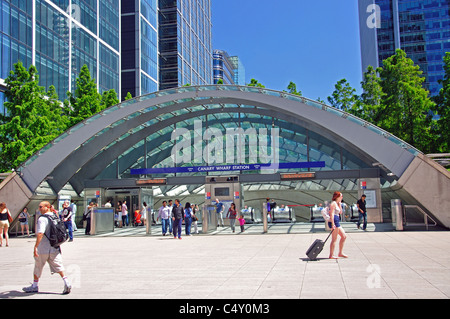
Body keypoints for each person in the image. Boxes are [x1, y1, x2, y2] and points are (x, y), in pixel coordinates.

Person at [22, 201, 71, 294]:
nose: (39, 209)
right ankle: (67, 283)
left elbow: (40, 233)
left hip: (43, 248)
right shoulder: (54, 216)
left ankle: (35, 286)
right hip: (55, 247)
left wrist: (35, 246)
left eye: (41, 207)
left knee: (38, 266)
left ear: (47, 207)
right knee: (59, 266)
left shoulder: (42, 219)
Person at [328, 191, 348, 259]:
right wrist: (333, 224)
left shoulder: (337, 203)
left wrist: (339, 204)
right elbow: (332, 214)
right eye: (341, 196)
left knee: (344, 236)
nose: (342, 197)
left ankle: (340, 253)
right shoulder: (333, 203)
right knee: (334, 239)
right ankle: (331, 255)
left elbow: (340, 212)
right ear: (338, 197)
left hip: (337, 221)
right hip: (334, 221)